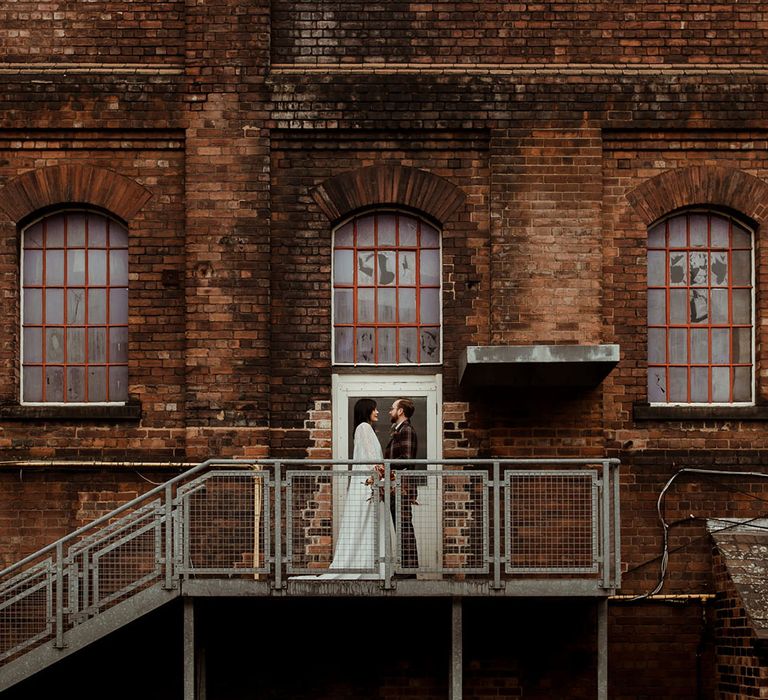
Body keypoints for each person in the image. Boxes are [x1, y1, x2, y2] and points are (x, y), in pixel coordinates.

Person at [313, 398, 395, 579]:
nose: (378, 412)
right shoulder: (364, 428)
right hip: (369, 483)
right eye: (374, 409)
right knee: (368, 522)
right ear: (367, 411)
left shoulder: (364, 429)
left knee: (369, 523)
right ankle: (371, 568)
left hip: (371, 481)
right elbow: (370, 457)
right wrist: (380, 475)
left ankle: (374, 568)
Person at [384, 398, 419, 570]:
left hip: (402, 487)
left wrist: (384, 465)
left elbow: (407, 459)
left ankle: (409, 570)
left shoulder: (407, 430)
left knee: (404, 527)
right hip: (395, 487)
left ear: (400, 411)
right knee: (401, 527)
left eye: (392, 408)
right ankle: (406, 568)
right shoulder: (400, 430)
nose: (390, 411)